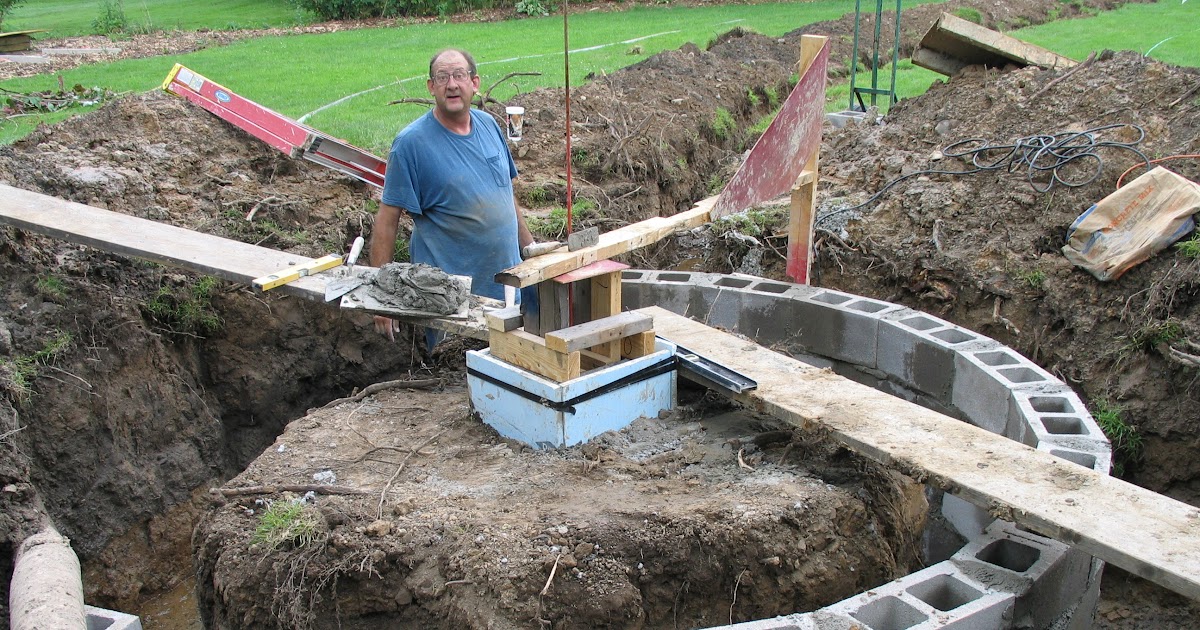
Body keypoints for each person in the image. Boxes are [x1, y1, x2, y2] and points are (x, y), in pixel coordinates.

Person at [371, 48, 535, 345]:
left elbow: (505, 193)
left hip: (507, 289)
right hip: (452, 303)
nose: (452, 84)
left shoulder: (488, 125)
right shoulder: (411, 145)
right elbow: (387, 221)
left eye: (459, 75)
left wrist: (532, 251)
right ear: (431, 87)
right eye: (442, 77)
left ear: (474, 83)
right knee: (456, 383)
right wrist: (382, 296)